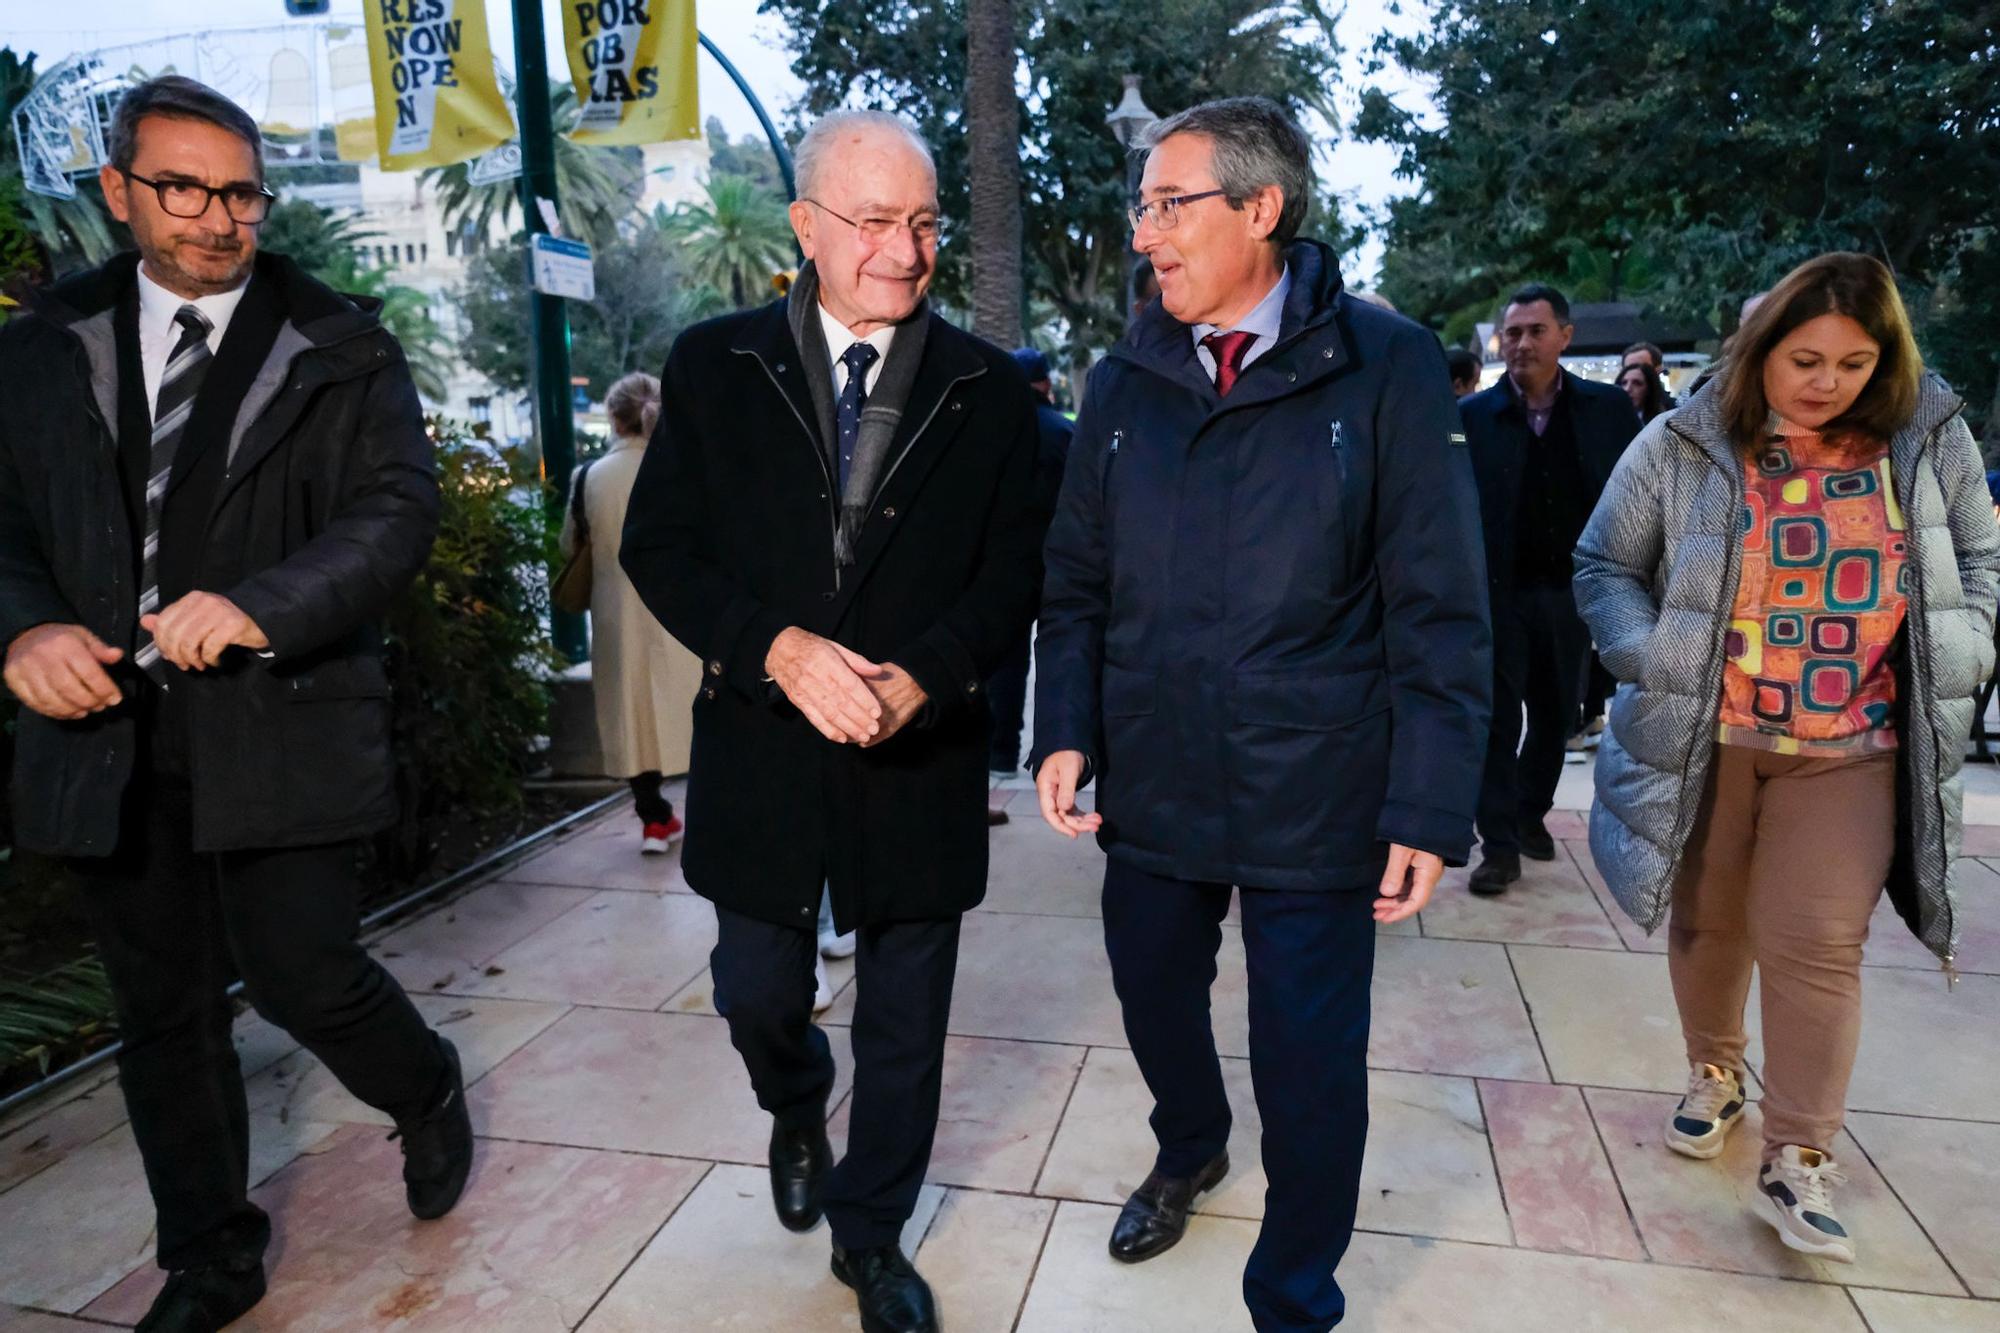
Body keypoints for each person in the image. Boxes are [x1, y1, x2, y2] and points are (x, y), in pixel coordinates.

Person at [0, 76, 469, 1332]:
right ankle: (209, 1254)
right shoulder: (40, 347)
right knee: (162, 1011)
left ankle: (423, 1087)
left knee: (305, 975)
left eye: (242, 192)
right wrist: (23, 626)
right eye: (184, 189)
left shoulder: (339, 342)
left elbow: (394, 512)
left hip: (282, 713)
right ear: (118, 191)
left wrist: (265, 603)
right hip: (106, 734)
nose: (217, 218)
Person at [1033, 97, 1491, 1333]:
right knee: (1148, 993)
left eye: (1167, 205)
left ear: (1259, 209)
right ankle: (1189, 1143)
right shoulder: (1122, 377)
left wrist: (1428, 803)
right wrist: (1064, 722)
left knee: (1307, 1063)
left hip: (1319, 784)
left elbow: (1439, 603)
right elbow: (1073, 579)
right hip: (1157, 771)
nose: (1145, 235)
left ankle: (1292, 1293)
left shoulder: (1384, 361)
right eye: (1141, 207)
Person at [620, 109, 1044, 1333]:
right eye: (872, 222)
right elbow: (660, 547)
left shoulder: (987, 389)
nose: (904, 252)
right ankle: (795, 1099)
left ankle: (871, 1238)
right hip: (759, 746)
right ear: (805, 226)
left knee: (907, 1020)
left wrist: (931, 671)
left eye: (920, 224)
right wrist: (771, 645)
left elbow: (1015, 576)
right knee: (757, 990)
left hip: (920, 759)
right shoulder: (714, 364)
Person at [1576, 252, 1999, 1264]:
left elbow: (1977, 559)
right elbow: (1604, 563)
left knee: (1813, 940)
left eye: (1852, 363)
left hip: (1851, 744)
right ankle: (1713, 1071)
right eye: (1803, 357)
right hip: (1706, 736)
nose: (1825, 381)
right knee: (1710, 920)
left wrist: (1965, 640)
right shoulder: (1684, 439)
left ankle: (1798, 1153)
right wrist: (1653, 657)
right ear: (1758, 350)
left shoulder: (1922, 442)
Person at [1461, 283, 1641, 894]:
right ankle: (1500, 845)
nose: (1522, 343)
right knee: (1494, 719)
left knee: (1557, 714)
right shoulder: (1471, 419)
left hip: (1573, 590)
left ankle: (1528, 812)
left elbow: (1633, 498)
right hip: (1497, 592)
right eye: (1512, 333)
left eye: (1536, 331)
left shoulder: (1607, 411)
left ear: (1565, 336)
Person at [560, 371, 702, 853]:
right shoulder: (684, 470)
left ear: (614, 420)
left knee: (631, 715)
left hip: (617, 615)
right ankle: (710, 816)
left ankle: (654, 821)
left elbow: (569, 546)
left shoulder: (589, 477)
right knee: (691, 710)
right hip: (683, 610)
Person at [982, 345, 1074, 817]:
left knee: (1006, 662)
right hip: (1062, 563)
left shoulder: (993, 430)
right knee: (1067, 649)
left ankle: (1001, 752)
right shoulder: (1064, 432)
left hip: (1008, 562)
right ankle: (1066, 750)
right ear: (1044, 383)